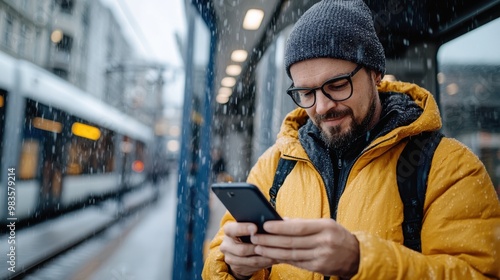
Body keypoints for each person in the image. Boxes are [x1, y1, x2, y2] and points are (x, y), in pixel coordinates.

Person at [202, 0, 500, 279]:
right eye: (305, 93)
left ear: (375, 74)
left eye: (337, 85)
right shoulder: (275, 165)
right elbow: (219, 253)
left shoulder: (450, 168)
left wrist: (361, 261)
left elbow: (479, 273)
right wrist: (235, 268)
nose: (321, 107)